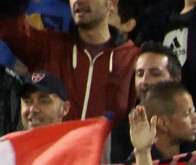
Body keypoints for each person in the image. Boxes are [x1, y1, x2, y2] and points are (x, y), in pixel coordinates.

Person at [0, 0, 139, 121]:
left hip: (107, 151)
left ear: (112, 3)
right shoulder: (47, 46)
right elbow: (11, 26)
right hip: (52, 150)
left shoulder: (133, 60)